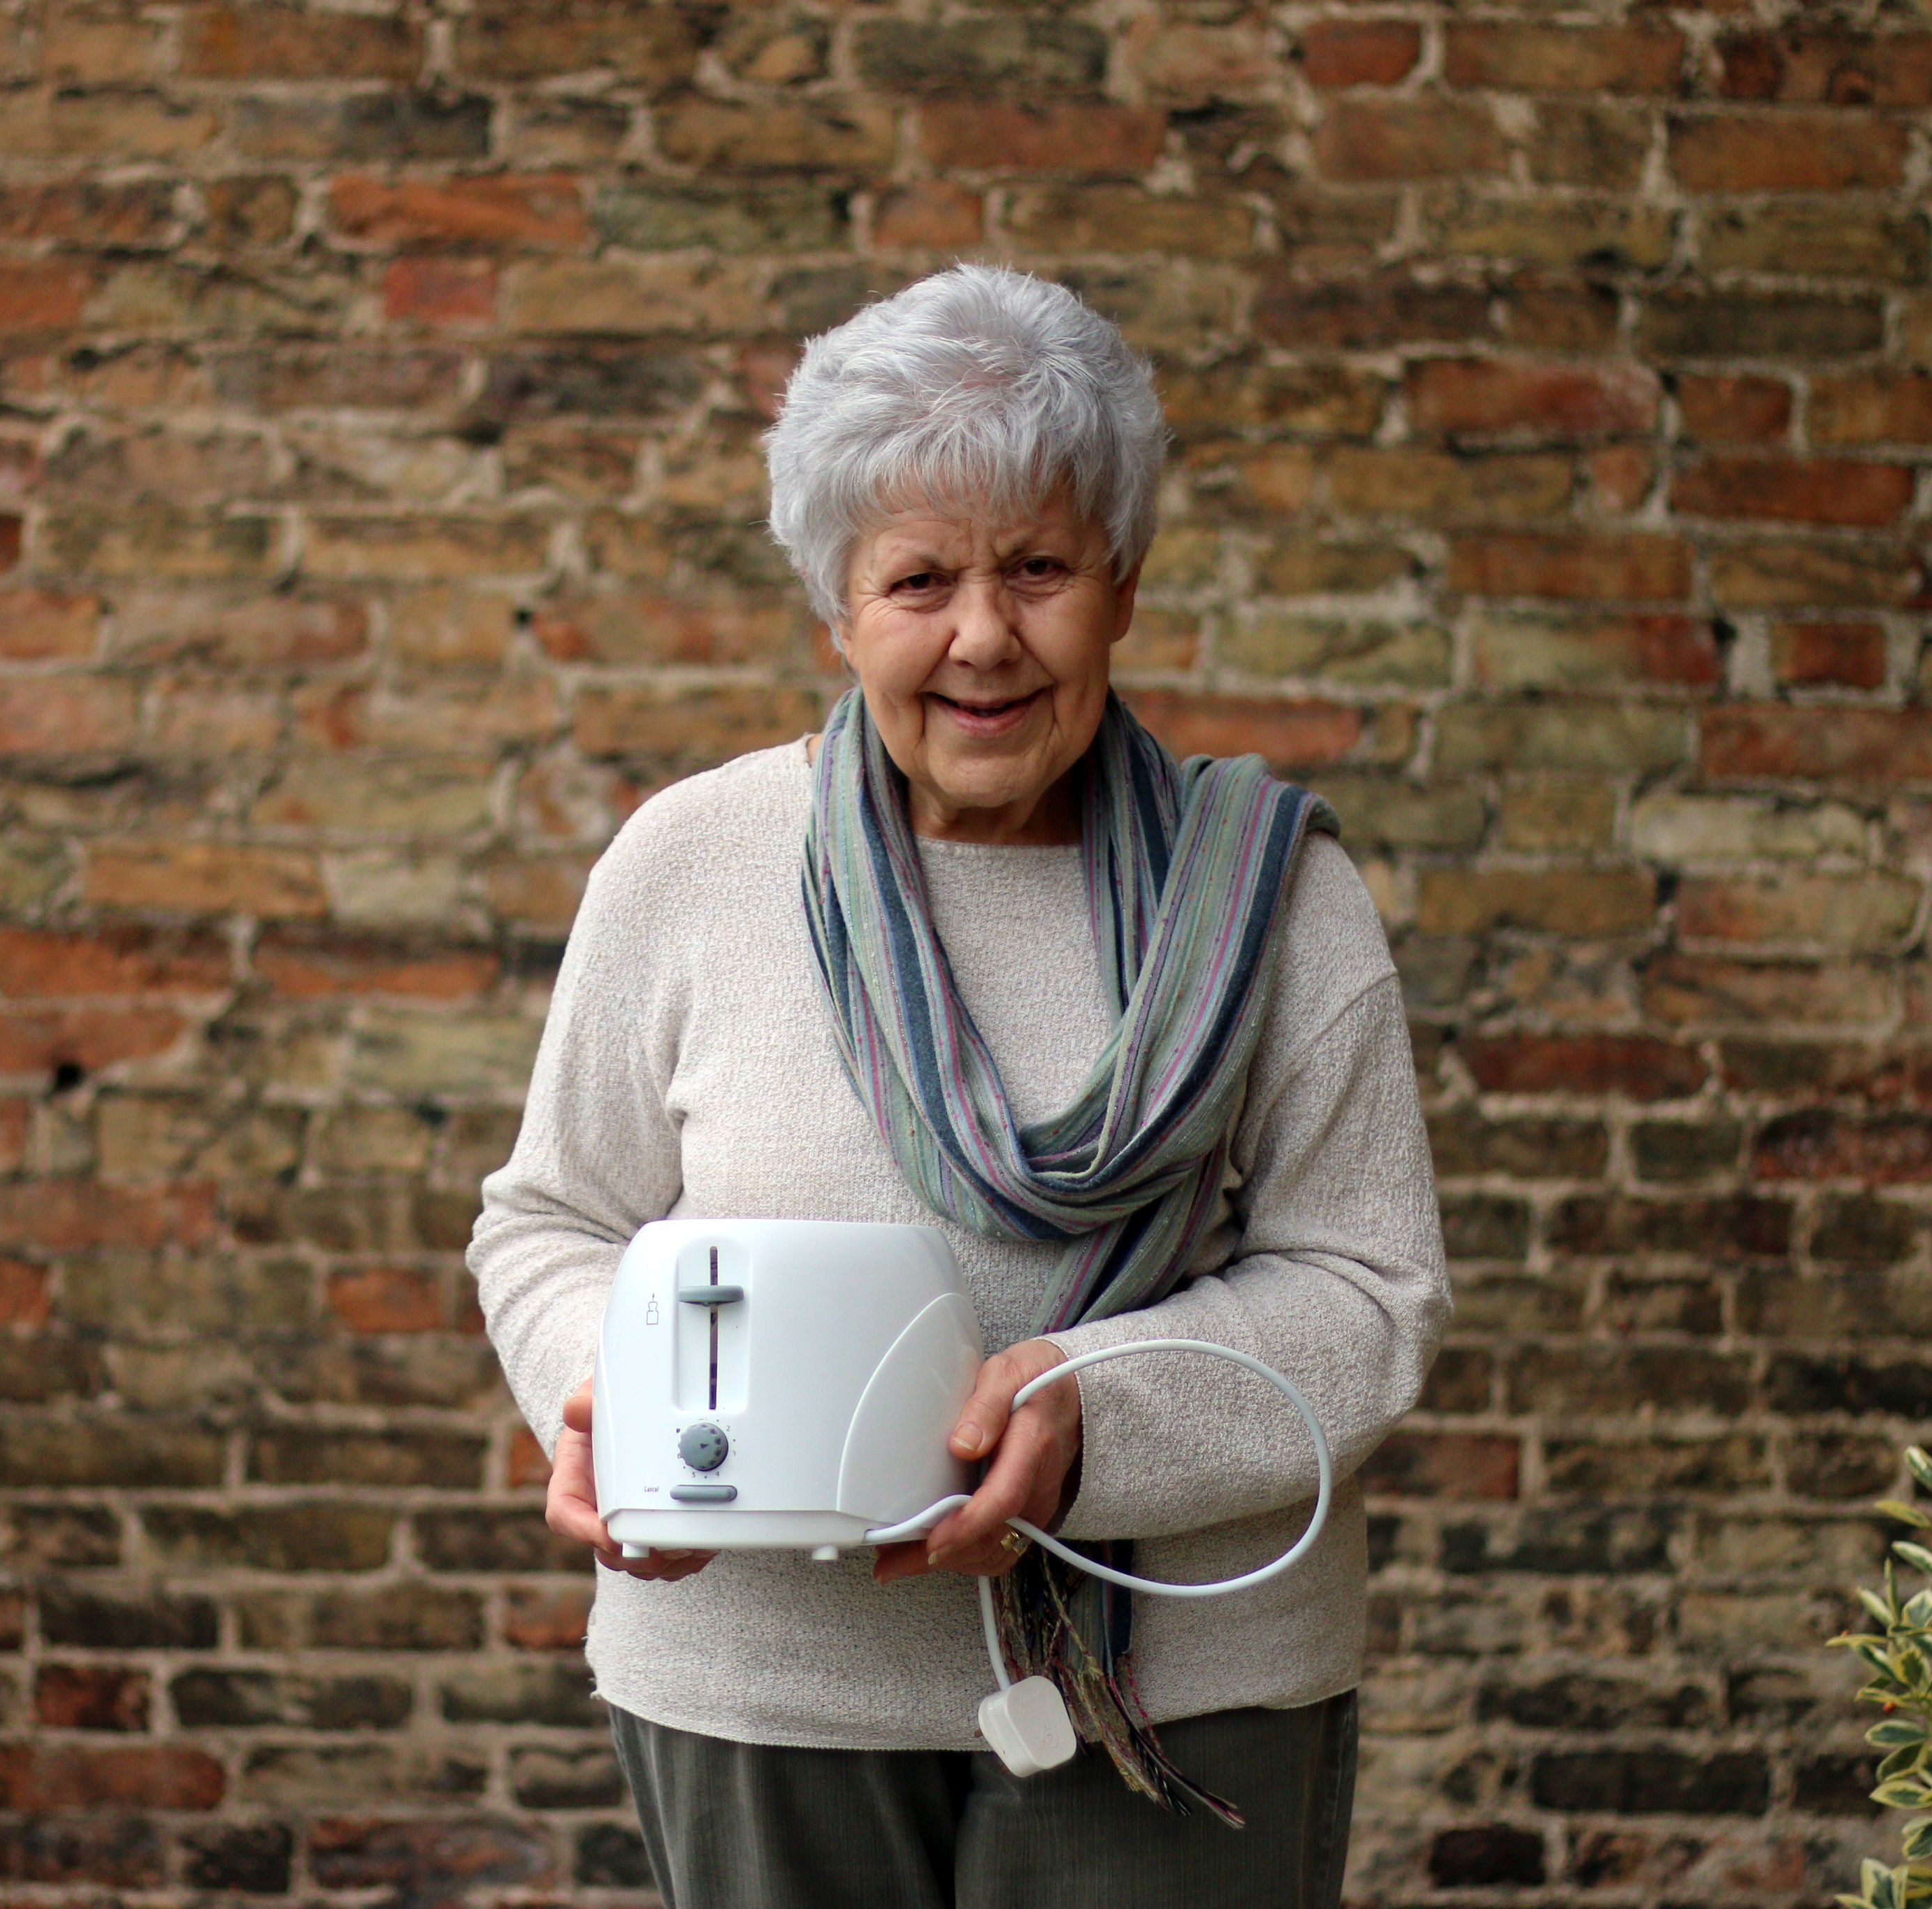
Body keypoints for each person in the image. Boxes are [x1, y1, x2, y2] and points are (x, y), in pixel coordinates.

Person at [468, 264, 1449, 1909]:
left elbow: (1371, 1293)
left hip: (1186, 1694)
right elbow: (552, 1222)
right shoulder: (691, 863)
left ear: (1121, 581)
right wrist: (613, 1393)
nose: (982, 635)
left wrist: (1089, 1417)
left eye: (1039, 566)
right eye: (917, 577)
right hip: (762, 1683)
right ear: (833, 606)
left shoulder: (1273, 898)